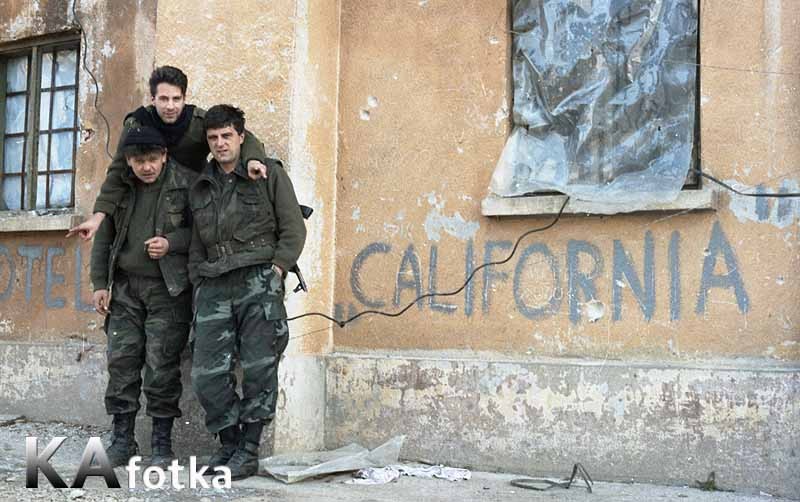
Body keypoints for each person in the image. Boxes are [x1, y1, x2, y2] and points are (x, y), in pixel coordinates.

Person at [188, 105, 305, 480]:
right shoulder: (202, 184)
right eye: (213, 138)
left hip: (258, 280)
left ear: (241, 136)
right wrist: (198, 280)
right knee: (206, 373)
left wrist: (278, 269)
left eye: (227, 136)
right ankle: (229, 443)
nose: (220, 143)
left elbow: (293, 228)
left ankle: (249, 450)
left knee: (258, 367)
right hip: (214, 284)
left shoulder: (267, 173)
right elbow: (195, 242)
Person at [90, 126, 196, 468]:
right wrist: (100, 284)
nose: (146, 167)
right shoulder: (120, 188)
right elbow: (104, 238)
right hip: (124, 289)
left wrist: (171, 243)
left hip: (168, 290)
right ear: (128, 161)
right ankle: (123, 440)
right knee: (121, 363)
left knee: (161, 365)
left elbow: (205, 232)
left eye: (152, 159)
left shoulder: (187, 184)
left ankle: (161, 445)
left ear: (164, 156)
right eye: (139, 161)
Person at [68, 66, 269, 240]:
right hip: (151, 205)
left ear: (184, 99)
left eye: (176, 99)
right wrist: (98, 217)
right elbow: (118, 171)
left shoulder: (198, 122)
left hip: (194, 204)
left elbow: (243, 137)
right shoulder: (138, 124)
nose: (170, 106)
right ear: (153, 99)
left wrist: (253, 160)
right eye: (163, 99)